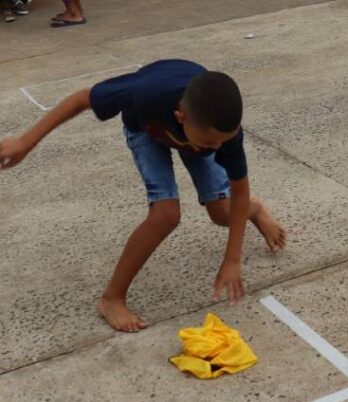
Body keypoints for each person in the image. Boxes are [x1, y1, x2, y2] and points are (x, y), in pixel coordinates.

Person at [0, 59, 287, 332]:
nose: (218, 147)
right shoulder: (145, 93)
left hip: (192, 133)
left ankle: (255, 210)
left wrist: (232, 260)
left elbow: (239, 190)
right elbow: (82, 98)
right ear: (181, 117)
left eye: (224, 140)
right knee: (166, 215)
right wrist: (26, 141)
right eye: (213, 142)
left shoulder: (222, 135)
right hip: (146, 130)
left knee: (223, 213)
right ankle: (112, 298)